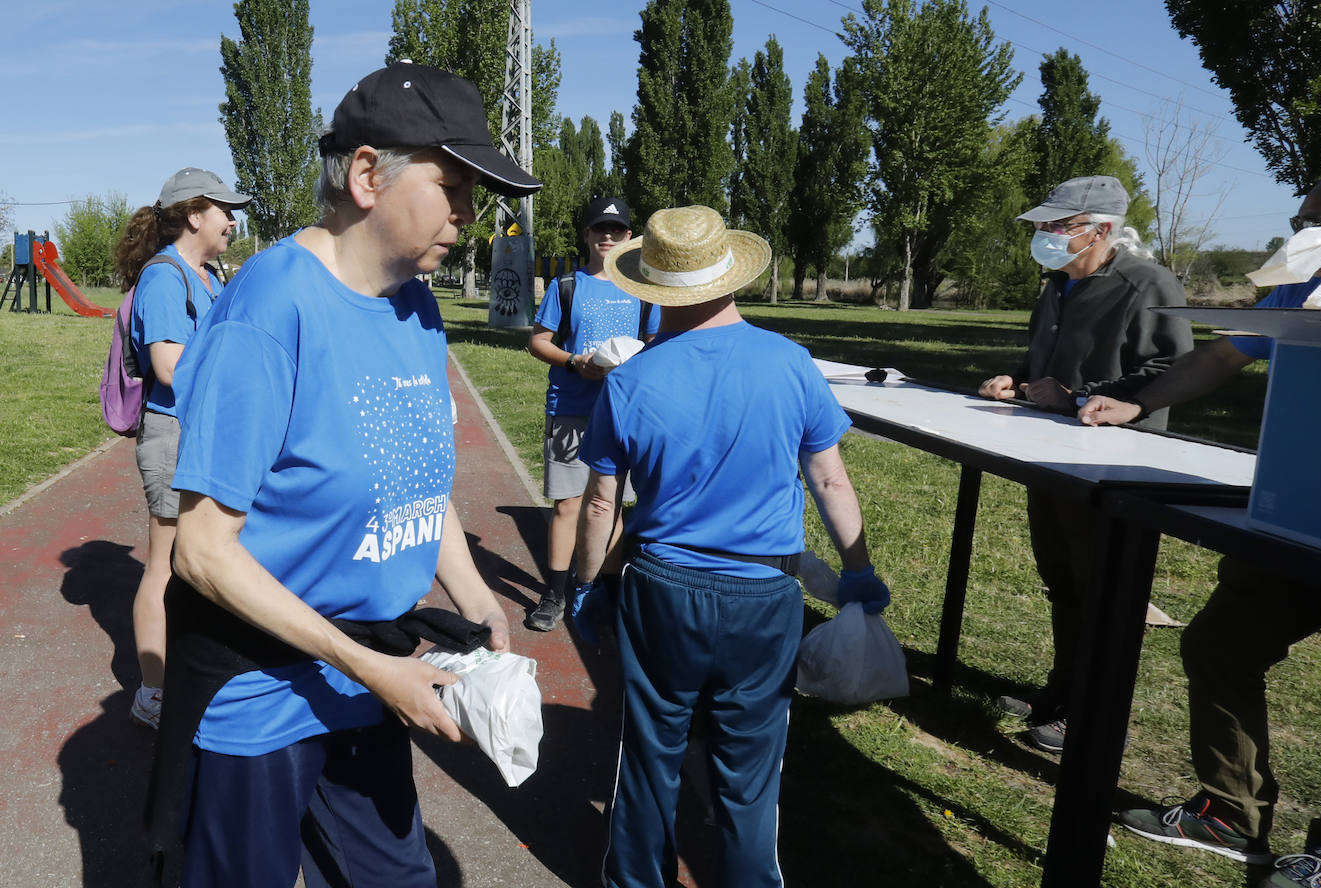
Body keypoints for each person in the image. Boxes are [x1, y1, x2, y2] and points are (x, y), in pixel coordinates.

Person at [163, 62, 532, 886]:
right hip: (260, 692)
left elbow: (415, 476)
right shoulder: (270, 309)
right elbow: (202, 553)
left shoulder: (416, 303)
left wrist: (474, 596)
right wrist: (370, 668)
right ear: (368, 174)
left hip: (368, 671)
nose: (470, 215)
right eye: (455, 186)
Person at [573, 205, 891, 887]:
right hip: (764, 595)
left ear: (653, 289)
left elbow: (601, 503)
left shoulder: (629, 379)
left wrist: (588, 584)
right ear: (730, 276)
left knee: (650, 751)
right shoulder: (791, 363)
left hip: (662, 590)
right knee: (751, 770)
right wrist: (857, 570)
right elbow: (829, 476)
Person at [1080, 157, 1321, 888]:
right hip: (1298, 508)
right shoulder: (1309, 285)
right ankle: (1228, 813)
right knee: (1219, 643)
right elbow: (1221, 355)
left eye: (1318, 220)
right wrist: (1135, 403)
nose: (1301, 232)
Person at [977, 174, 1192, 754]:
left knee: (1104, 588)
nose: (1045, 235)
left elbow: (1170, 371)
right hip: (1050, 455)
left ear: (1101, 230)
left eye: (1058, 225)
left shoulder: (1146, 283)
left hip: (1112, 464)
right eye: (1044, 224)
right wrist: (1016, 381)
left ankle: (1094, 709)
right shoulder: (1056, 284)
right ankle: (1062, 689)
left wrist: (1076, 398)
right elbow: (1043, 361)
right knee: (1062, 580)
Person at [113, 167, 253, 729]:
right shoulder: (165, 278)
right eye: (224, 209)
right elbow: (170, 366)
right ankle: (153, 691)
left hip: (203, 432)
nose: (232, 219)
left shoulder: (207, 274)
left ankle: (195, 671)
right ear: (194, 214)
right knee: (167, 566)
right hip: (174, 435)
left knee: (205, 559)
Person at [524, 196, 659, 632]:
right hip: (571, 409)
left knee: (613, 505)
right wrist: (572, 363)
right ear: (586, 234)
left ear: (629, 238)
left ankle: (605, 585)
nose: (608, 237)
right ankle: (556, 592)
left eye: (617, 230)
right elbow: (539, 341)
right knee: (568, 505)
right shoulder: (568, 285)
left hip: (624, 413)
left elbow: (656, 344)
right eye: (599, 228)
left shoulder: (643, 289)